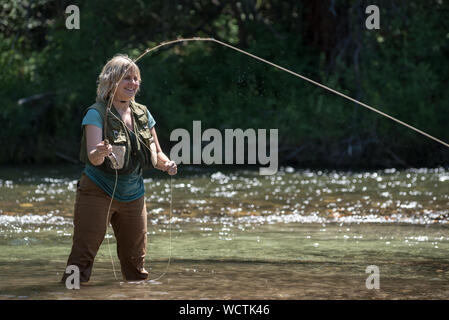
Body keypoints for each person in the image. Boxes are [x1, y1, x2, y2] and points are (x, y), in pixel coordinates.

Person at [62, 54, 177, 284]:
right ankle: (67, 294)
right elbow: (94, 158)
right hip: (97, 191)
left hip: (134, 194)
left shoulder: (144, 113)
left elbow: (157, 153)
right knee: (82, 259)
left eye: (136, 79)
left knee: (136, 266)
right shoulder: (95, 113)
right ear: (111, 81)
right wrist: (101, 151)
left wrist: (167, 164)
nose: (133, 83)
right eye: (127, 78)